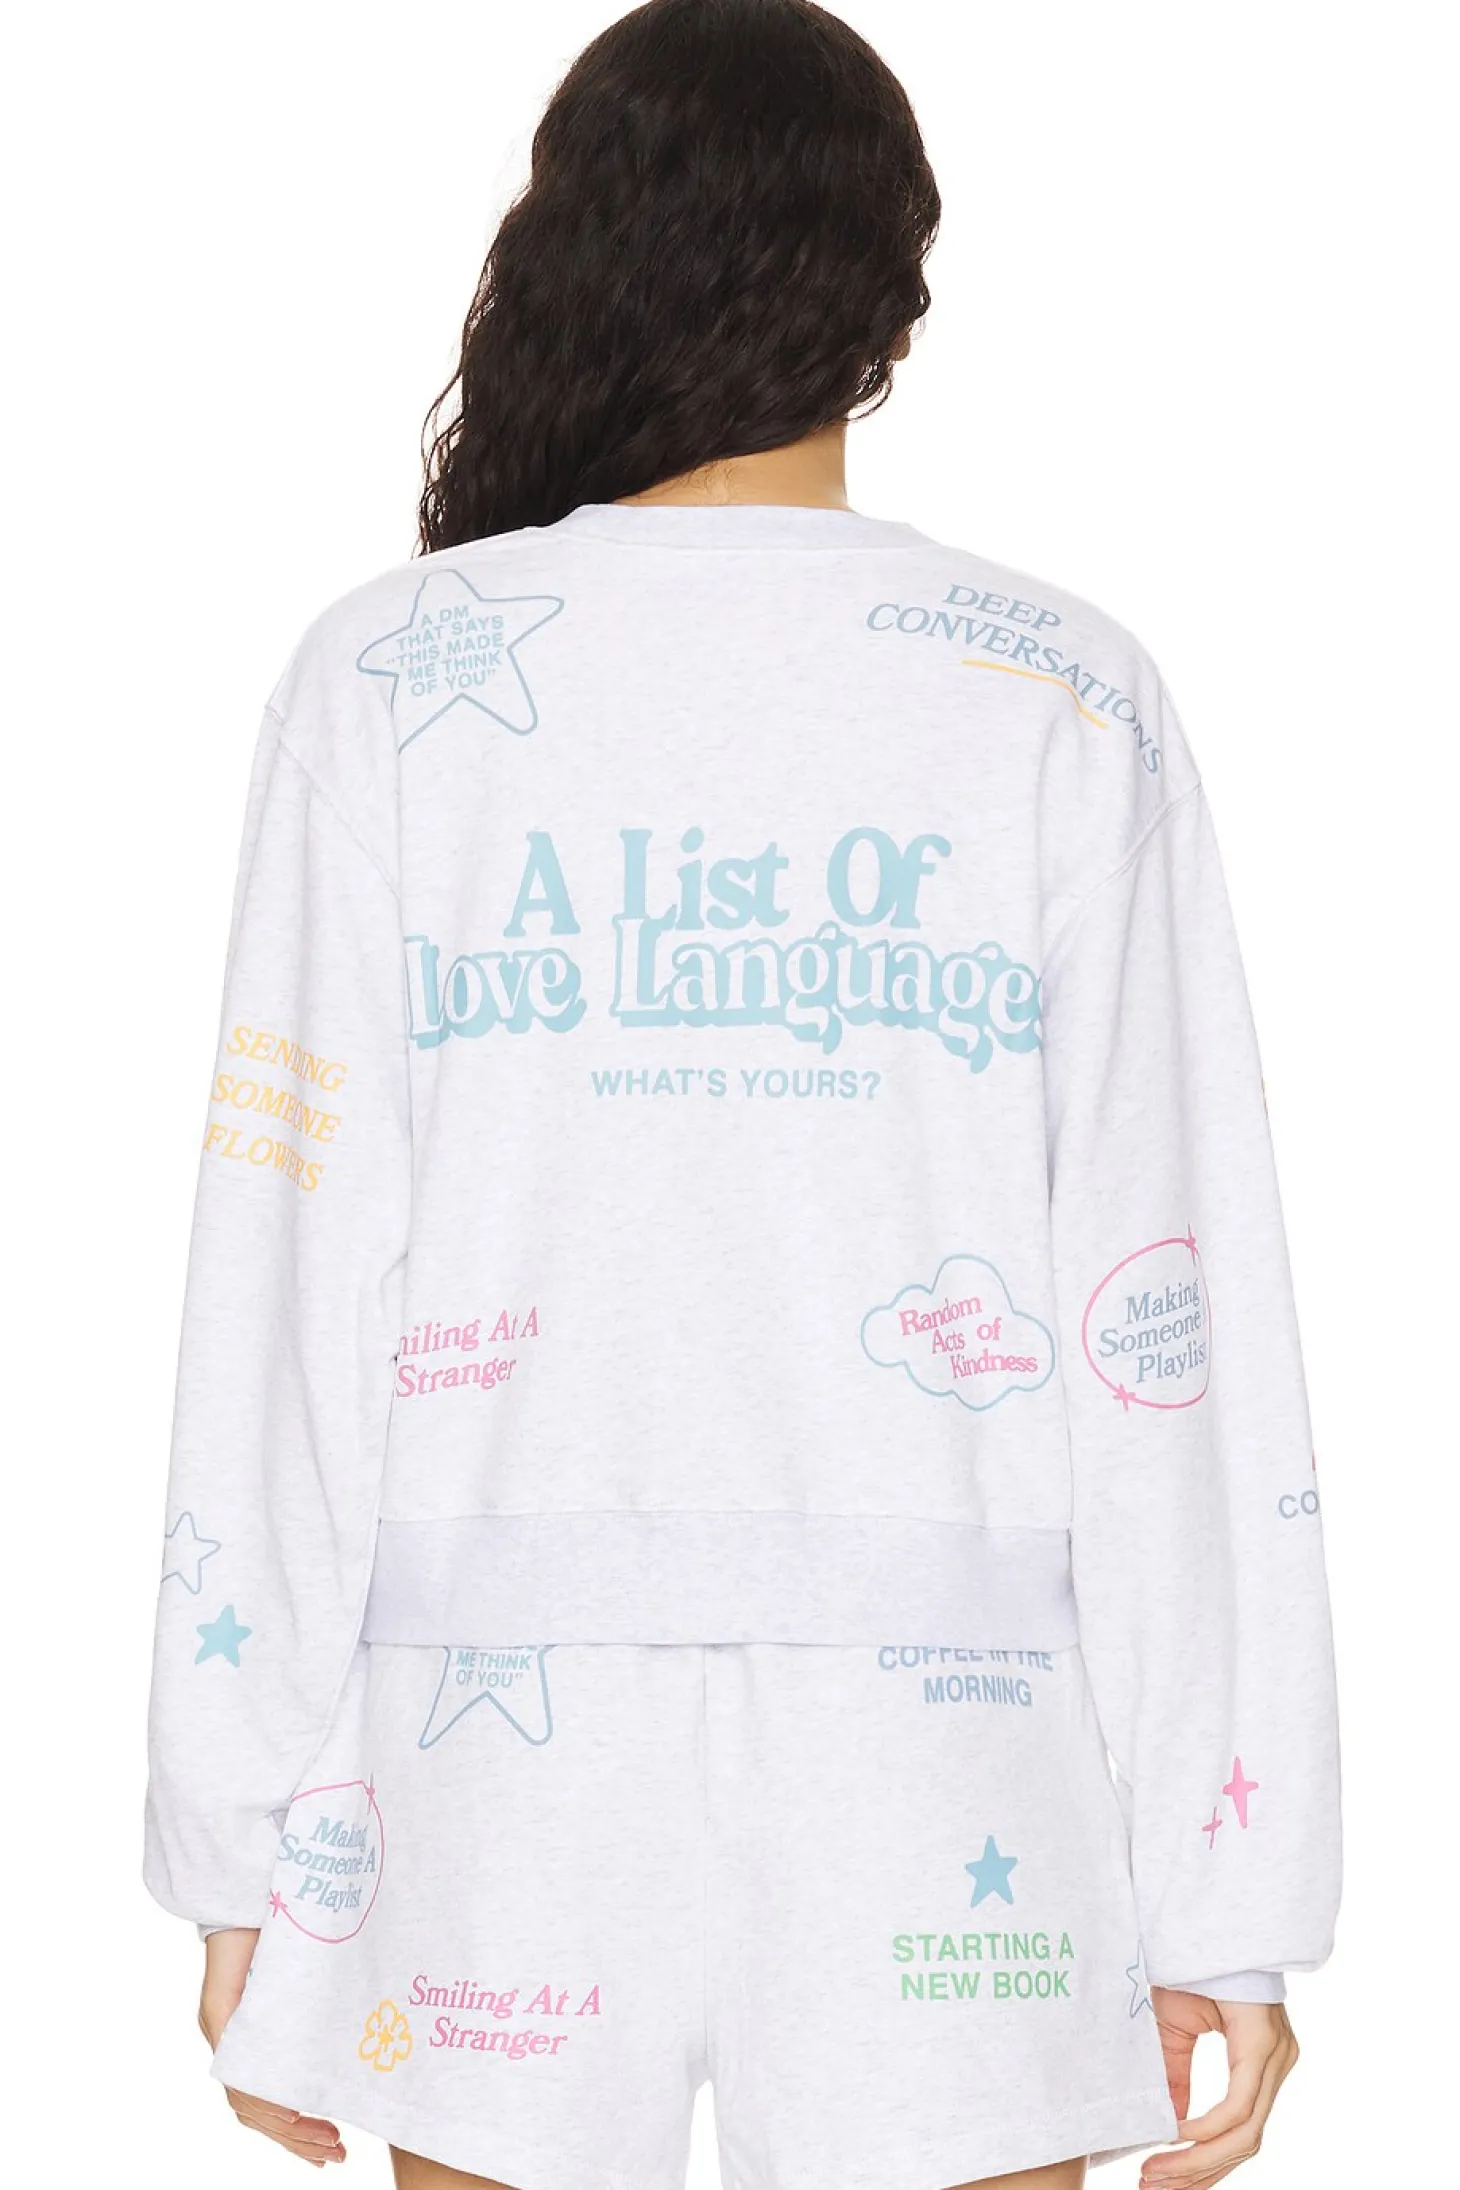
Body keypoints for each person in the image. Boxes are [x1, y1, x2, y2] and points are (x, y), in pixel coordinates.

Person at [144, 4, 1340, 2186]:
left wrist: (243, 1840)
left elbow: (284, 1289)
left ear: (569, 251)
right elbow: (1167, 1314)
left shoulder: (394, 682)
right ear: (894, 287)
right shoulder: (1054, 693)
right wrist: (1219, 1889)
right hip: (951, 1749)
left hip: (498, 1763)